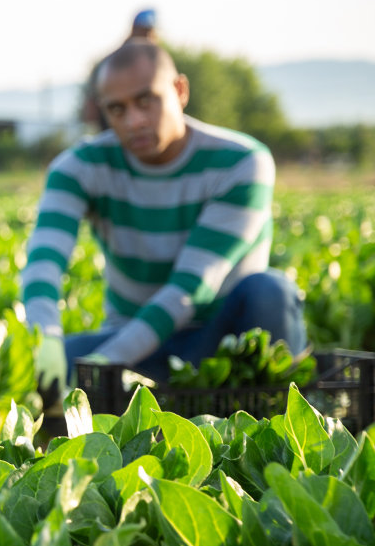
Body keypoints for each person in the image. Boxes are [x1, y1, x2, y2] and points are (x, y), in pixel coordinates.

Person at [25, 39, 304, 402]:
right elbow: (43, 263)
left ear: (179, 90)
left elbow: (189, 290)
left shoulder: (241, 163)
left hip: (222, 344)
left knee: (270, 292)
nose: (134, 121)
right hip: (137, 346)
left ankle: (274, 406)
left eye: (146, 101)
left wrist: (103, 364)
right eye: (117, 109)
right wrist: (45, 336)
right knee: (42, 366)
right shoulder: (80, 167)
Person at [81, 8, 159, 131]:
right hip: (114, 129)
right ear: (134, 29)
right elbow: (92, 101)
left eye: (151, 32)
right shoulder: (112, 62)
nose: (148, 37)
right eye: (144, 31)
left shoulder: (156, 61)